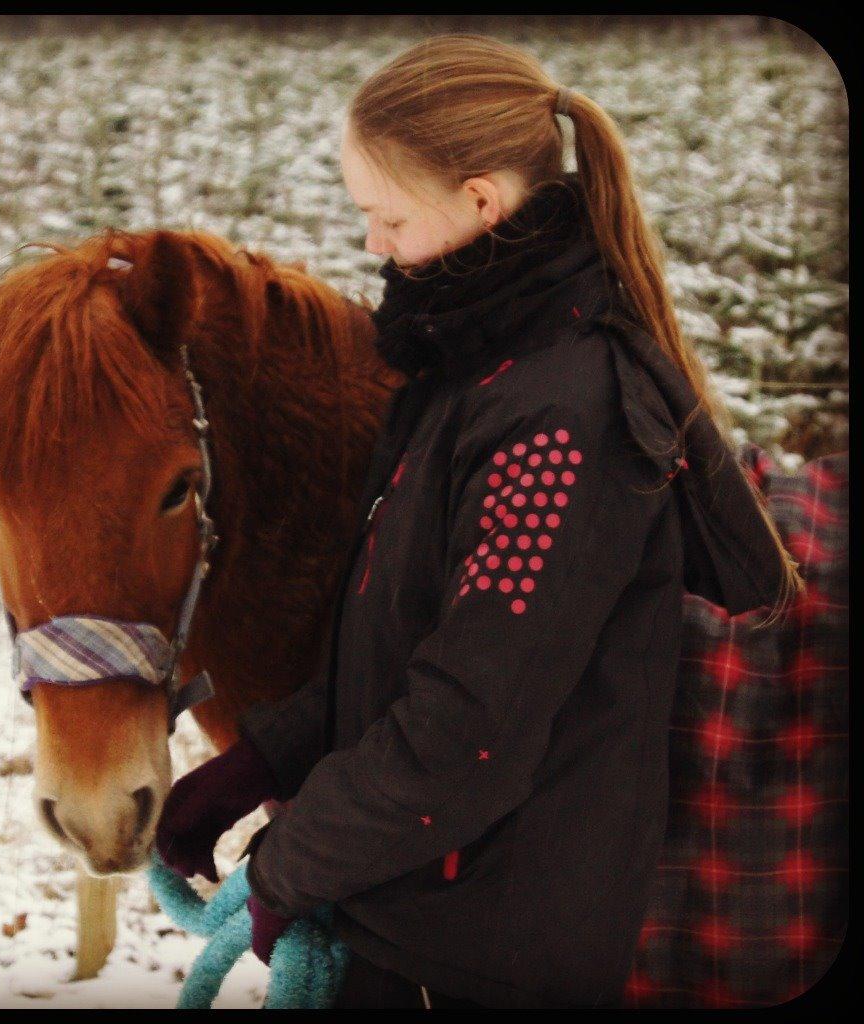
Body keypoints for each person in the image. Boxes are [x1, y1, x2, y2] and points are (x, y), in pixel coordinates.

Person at [156, 34, 802, 1008]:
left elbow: (470, 732)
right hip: (419, 902)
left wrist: (291, 862)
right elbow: (403, 639)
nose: (370, 244)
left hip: (488, 945)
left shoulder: (562, 412)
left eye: (386, 217)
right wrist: (261, 757)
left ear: (481, 203)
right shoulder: (464, 362)